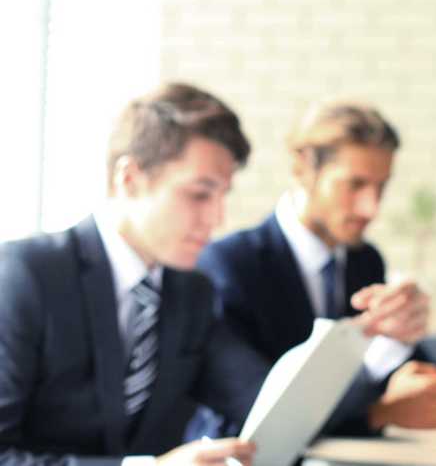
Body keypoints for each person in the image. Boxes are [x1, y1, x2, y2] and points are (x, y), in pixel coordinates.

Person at [0, 83, 265, 465]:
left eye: (224, 195)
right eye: (200, 194)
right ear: (130, 178)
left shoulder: (192, 293)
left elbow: (262, 395)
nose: (217, 218)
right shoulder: (27, 276)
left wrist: (368, 344)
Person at [195, 99, 436, 437]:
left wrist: (401, 340)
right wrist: (380, 412)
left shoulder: (365, 261)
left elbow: (374, 377)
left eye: (381, 187)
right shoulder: (230, 265)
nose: (371, 208)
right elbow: (258, 410)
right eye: (354, 185)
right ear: (303, 169)